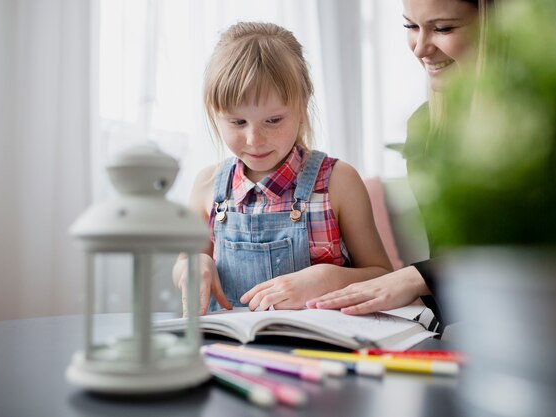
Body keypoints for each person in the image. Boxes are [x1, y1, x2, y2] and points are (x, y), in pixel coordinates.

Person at [173, 22, 393, 316]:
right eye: (238, 122)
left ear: (302, 106)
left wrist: (329, 279)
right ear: (217, 115)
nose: (254, 139)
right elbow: (183, 264)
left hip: (316, 351)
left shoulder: (339, 182)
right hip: (229, 351)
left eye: (273, 120)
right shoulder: (207, 185)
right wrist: (192, 267)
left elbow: (382, 277)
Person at [307, 0, 494, 333]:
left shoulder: (553, 123)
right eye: (410, 26)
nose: (420, 48)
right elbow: (450, 273)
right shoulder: (425, 129)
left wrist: (418, 276)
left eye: (443, 28)